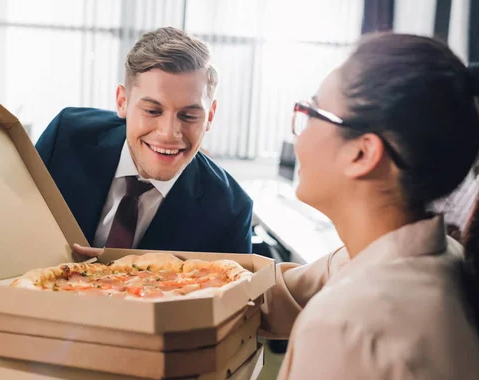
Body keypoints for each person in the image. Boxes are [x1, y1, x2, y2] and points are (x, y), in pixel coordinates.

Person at [260, 33, 479, 379]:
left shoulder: (345, 325)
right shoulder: (443, 255)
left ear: (362, 153)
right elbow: (279, 294)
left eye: (312, 112)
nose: (298, 135)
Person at [35, 27, 253, 257]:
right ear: (122, 102)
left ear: (210, 116)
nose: (169, 133)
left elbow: (232, 292)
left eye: (189, 116)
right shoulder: (66, 136)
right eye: (152, 110)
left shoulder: (231, 210)